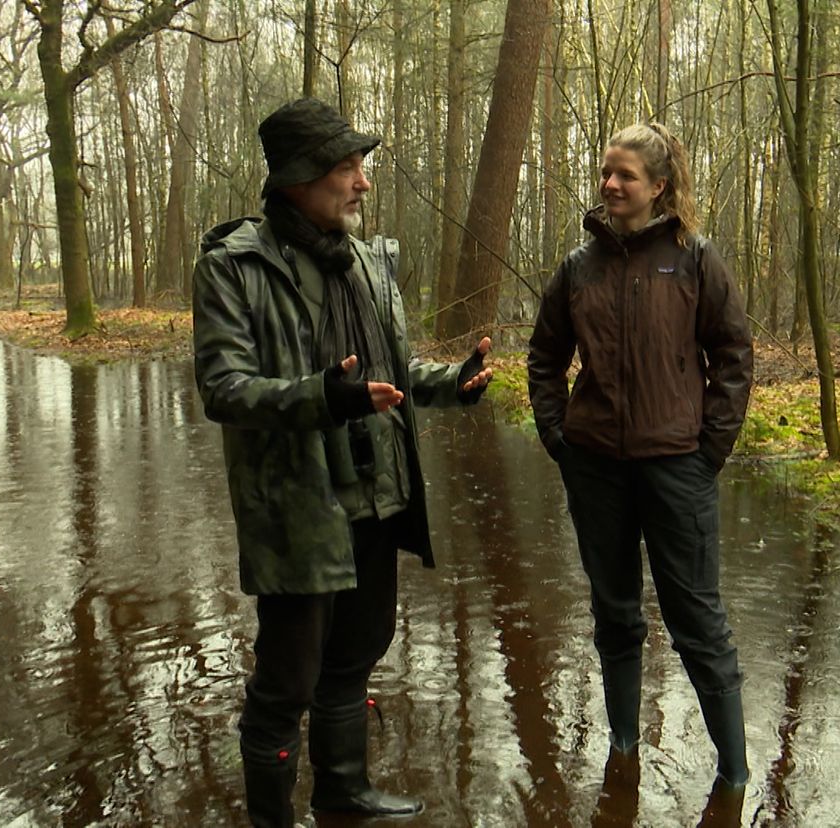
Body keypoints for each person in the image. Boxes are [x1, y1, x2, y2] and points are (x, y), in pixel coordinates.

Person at [192, 97, 493, 827]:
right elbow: (224, 390)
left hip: (377, 494)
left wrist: (449, 383)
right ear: (300, 178)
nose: (362, 184)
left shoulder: (365, 258)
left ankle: (344, 793)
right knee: (286, 682)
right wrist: (323, 397)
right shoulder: (233, 267)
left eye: (361, 168)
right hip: (299, 507)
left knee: (356, 656)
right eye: (347, 169)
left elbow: (393, 370)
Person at [527, 122, 753, 791]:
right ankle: (621, 750)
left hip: (676, 467)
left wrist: (707, 449)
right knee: (615, 613)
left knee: (697, 622)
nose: (610, 185)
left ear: (659, 186)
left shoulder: (693, 260)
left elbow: (734, 356)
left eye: (625, 175)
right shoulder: (578, 266)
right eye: (605, 172)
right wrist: (558, 435)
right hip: (594, 465)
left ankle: (734, 775)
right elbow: (545, 358)